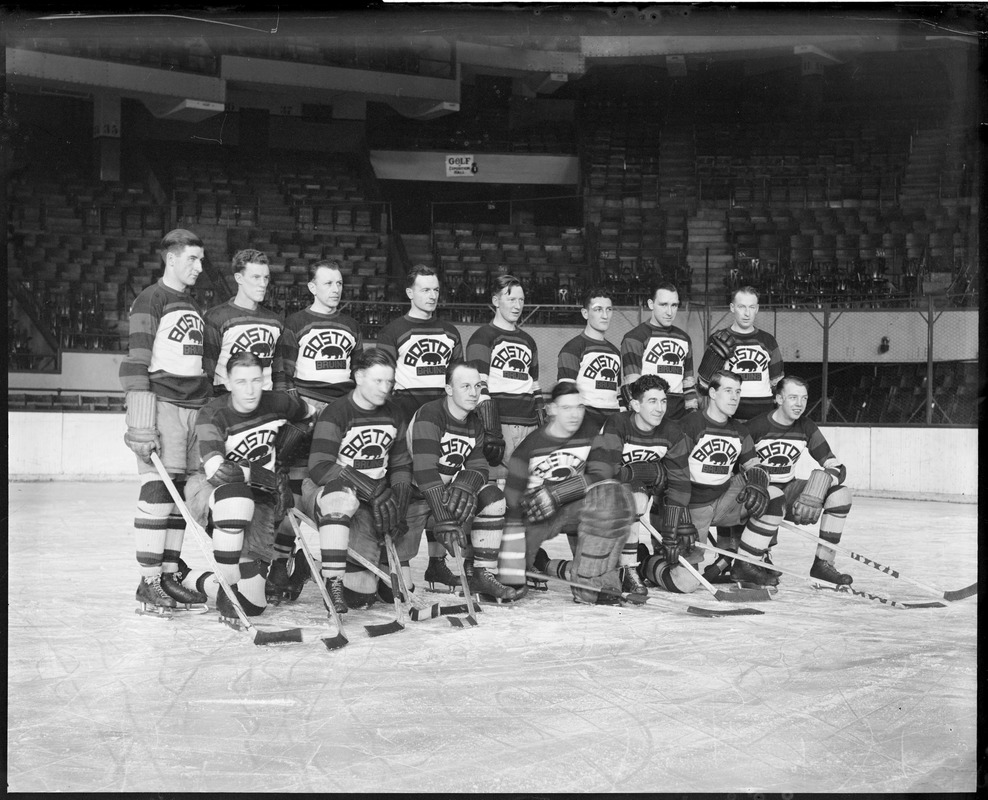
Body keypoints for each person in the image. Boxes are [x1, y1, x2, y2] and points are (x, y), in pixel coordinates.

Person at [121, 228, 216, 614]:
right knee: (159, 490)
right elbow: (136, 361)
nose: (199, 266)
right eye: (192, 259)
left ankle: (169, 574)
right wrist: (140, 420)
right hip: (163, 404)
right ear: (171, 259)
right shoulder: (151, 299)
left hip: (195, 406)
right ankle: (149, 582)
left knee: (179, 493)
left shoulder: (192, 305)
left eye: (201, 259)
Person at [179, 351, 311, 618]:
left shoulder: (279, 402)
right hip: (211, 489)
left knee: (252, 606)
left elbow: (309, 414)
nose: (250, 390)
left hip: (260, 498)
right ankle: (227, 587)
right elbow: (221, 472)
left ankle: (192, 578)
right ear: (228, 383)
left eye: (256, 380)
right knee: (236, 498)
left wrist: (286, 449)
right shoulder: (213, 413)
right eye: (241, 382)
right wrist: (271, 477)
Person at [637, 370, 779, 592]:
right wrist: (678, 515)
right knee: (686, 583)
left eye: (738, 392)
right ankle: (646, 562)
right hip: (690, 508)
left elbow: (754, 465)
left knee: (774, 495)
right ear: (712, 392)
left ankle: (745, 563)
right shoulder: (690, 425)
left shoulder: (739, 430)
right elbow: (670, 473)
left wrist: (759, 480)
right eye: (728, 391)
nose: (735, 397)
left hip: (723, 501)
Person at [270, 260, 363, 593]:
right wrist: (297, 412)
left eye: (339, 283)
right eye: (328, 283)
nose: (335, 289)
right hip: (305, 411)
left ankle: (332, 564)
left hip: (340, 415)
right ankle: (282, 561)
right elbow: (284, 374)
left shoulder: (351, 325)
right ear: (312, 287)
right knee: (292, 490)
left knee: (337, 489)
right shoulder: (295, 323)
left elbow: (359, 377)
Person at [497, 382, 636, 604]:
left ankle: (590, 582)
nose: (574, 414)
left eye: (579, 407)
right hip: (536, 515)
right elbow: (511, 503)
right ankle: (542, 564)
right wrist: (511, 566)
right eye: (566, 408)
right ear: (551, 409)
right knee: (512, 579)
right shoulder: (528, 448)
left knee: (612, 497)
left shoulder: (591, 435)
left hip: (576, 508)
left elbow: (603, 474)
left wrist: (559, 493)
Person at [301, 348, 413, 613]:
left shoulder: (395, 414)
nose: (385, 388)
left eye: (389, 381)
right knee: (358, 598)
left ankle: (362, 563)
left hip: (374, 498)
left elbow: (401, 464)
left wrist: (398, 500)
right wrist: (370, 489)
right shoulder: (337, 412)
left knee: (398, 592)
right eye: (378, 381)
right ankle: (326, 572)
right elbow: (319, 467)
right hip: (333, 495)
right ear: (359, 376)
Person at [404, 359, 519, 601]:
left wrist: (464, 483)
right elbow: (424, 472)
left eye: (477, 386)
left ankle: (480, 573)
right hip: (410, 497)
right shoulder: (430, 414)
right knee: (398, 589)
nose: (473, 392)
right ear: (448, 389)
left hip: (439, 495)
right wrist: (444, 517)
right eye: (465, 386)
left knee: (492, 498)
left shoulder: (474, 422)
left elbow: (479, 467)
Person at [376, 264, 464, 579]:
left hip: (442, 421)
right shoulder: (393, 330)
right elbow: (381, 380)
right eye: (425, 289)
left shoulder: (450, 331)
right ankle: (398, 564)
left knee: (441, 484)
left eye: (435, 290)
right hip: (405, 420)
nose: (431, 295)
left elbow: (459, 377)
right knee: (410, 491)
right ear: (410, 292)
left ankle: (437, 565)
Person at [696, 284, 785, 577]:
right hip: (728, 422)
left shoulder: (767, 340)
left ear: (757, 309)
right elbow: (703, 386)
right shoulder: (720, 339)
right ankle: (726, 554)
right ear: (732, 308)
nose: (747, 313)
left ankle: (759, 552)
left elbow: (778, 388)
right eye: (741, 306)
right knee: (731, 488)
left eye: (753, 307)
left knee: (760, 488)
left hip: (760, 423)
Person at [580, 375, 693, 600]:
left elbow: (680, 482)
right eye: (652, 401)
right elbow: (604, 472)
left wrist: (670, 531)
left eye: (663, 401)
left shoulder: (671, 431)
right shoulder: (618, 423)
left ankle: (637, 564)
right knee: (636, 498)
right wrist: (640, 471)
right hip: (601, 497)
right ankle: (625, 568)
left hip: (637, 496)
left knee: (686, 582)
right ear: (635, 405)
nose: (660, 408)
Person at [736, 375, 854, 585]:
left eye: (804, 398)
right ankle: (750, 563)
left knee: (840, 494)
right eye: (793, 397)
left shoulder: (806, 426)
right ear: (779, 399)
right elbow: (736, 468)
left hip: (787, 489)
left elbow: (836, 466)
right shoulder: (756, 427)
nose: (799, 404)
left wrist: (821, 486)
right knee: (775, 495)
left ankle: (822, 564)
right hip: (756, 494)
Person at [466, 274, 546, 484]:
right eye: (511, 299)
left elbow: (534, 383)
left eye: (521, 300)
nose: (517, 305)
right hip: (500, 425)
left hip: (530, 425)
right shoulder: (482, 337)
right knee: (499, 484)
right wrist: (490, 429)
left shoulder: (528, 341)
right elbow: (478, 386)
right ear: (495, 301)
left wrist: (541, 413)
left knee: (528, 484)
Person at [205, 248, 284, 395]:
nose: (263, 284)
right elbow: (207, 370)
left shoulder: (275, 321)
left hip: (265, 403)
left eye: (266, 278)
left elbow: (279, 371)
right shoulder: (216, 317)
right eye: (256, 277)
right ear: (239, 278)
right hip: (226, 402)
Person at [621, 281, 698, 421]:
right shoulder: (634, 338)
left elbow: (688, 383)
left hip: (679, 417)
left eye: (674, 305)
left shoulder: (684, 338)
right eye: (663, 305)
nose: (669, 312)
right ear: (651, 304)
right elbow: (632, 387)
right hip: (648, 416)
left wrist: (693, 416)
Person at [556, 286, 622, 430]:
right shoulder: (572, 349)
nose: (605, 315)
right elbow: (566, 394)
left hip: (613, 424)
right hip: (585, 424)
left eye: (609, 309)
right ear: (585, 313)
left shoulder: (615, 352)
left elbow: (617, 392)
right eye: (598, 310)